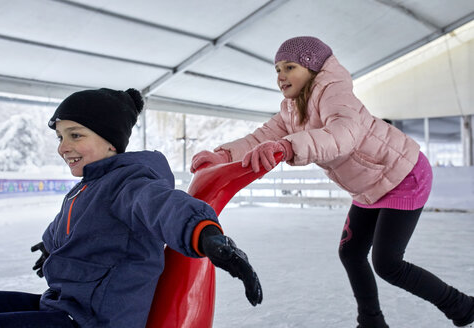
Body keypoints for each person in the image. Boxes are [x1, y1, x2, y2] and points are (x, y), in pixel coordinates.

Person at [190, 36, 474, 328]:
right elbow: (260, 137)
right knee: (351, 253)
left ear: (312, 69)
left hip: (403, 174)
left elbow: (342, 135)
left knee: (388, 264)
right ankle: (371, 322)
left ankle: (462, 306)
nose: (281, 76)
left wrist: (289, 146)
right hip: (369, 185)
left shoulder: (336, 94)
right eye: (277, 69)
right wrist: (222, 155)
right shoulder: (290, 110)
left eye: (290, 67)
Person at [0, 88, 262, 328]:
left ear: (111, 142)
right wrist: (50, 246)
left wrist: (206, 234)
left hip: (91, 320)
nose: (62, 148)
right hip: (62, 305)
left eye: (75, 135)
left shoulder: (128, 183)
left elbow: (162, 206)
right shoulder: (86, 186)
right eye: (60, 137)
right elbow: (67, 226)